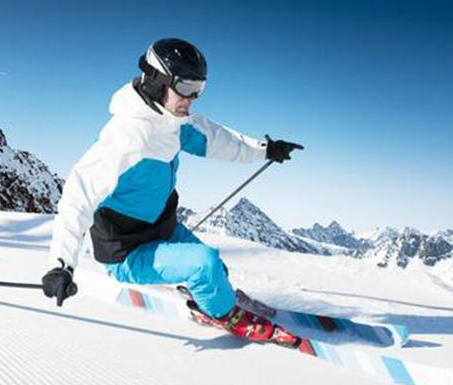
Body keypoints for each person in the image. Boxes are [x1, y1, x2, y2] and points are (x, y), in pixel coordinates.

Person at [42, 38, 303, 346]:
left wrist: (265, 149)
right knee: (204, 264)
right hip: (126, 251)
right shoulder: (126, 139)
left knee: (216, 269)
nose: (192, 99)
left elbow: (217, 140)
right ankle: (224, 314)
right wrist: (61, 264)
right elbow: (77, 197)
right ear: (157, 81)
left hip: (162, 229)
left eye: (199, 89)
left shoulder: (173, 123)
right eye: (186, 88)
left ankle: (213, 294)